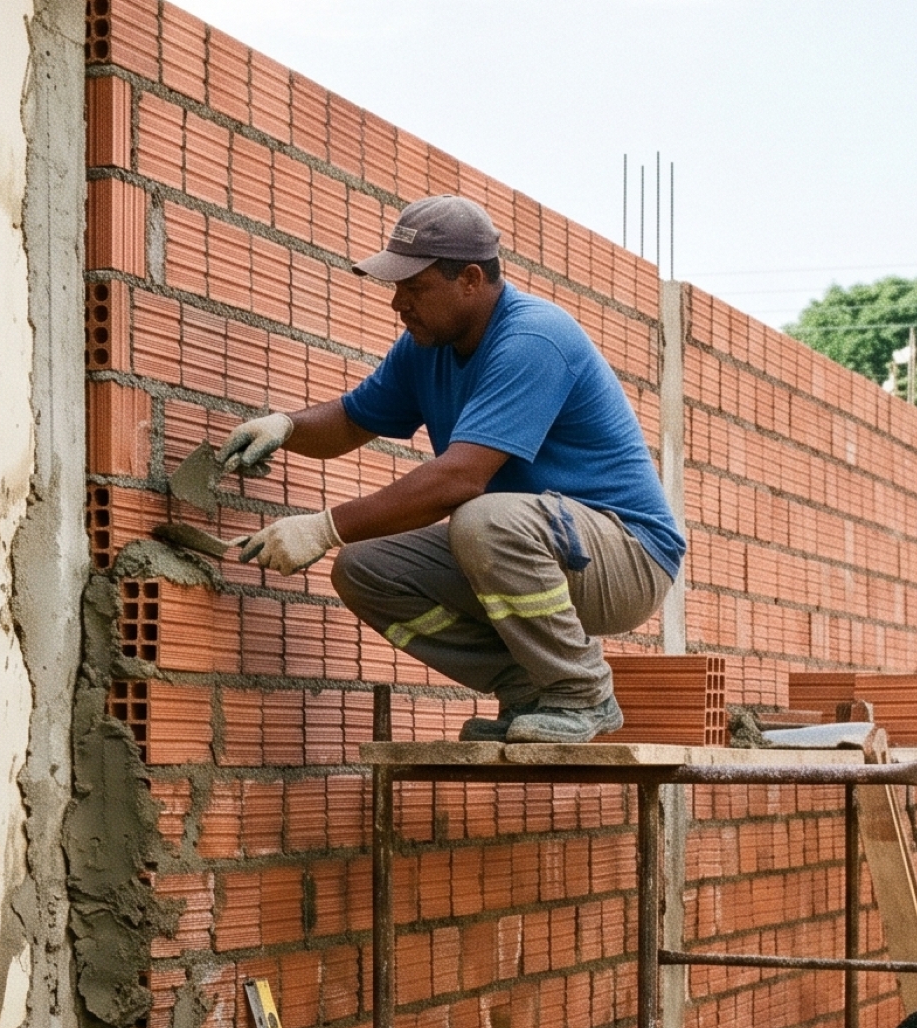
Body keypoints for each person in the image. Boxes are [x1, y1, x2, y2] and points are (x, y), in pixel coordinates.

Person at [218, 195, 686, 744]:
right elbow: (350, 420)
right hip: (532, 542)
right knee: (364, 569)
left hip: (628, 556)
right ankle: (530, 688)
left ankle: (581, 692)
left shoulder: (534, 339)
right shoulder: (425, 348)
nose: (399, 303)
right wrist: (286, 426)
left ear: (468, 279)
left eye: (413, 288)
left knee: (481, 518)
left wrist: (322, 528)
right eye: (398, 288)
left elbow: (459, 480)